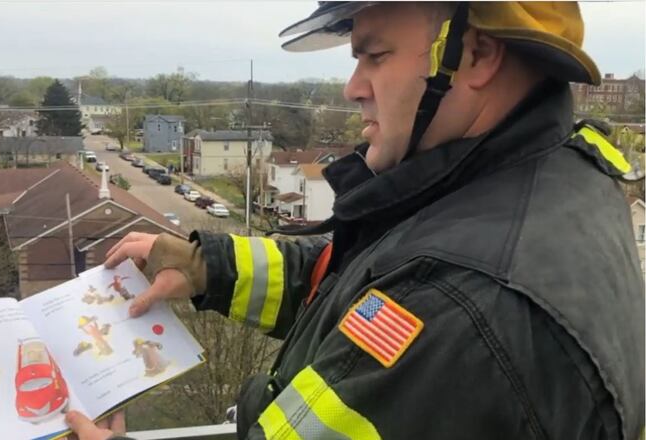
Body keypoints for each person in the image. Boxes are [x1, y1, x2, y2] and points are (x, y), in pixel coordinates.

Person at [66, 2, 644, 439]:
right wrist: (204, 267)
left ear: (475, 55)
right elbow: (358, 280)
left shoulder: (463, 306)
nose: (352, 89)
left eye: (376, 55)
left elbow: (408, 300)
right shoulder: (520, 181)